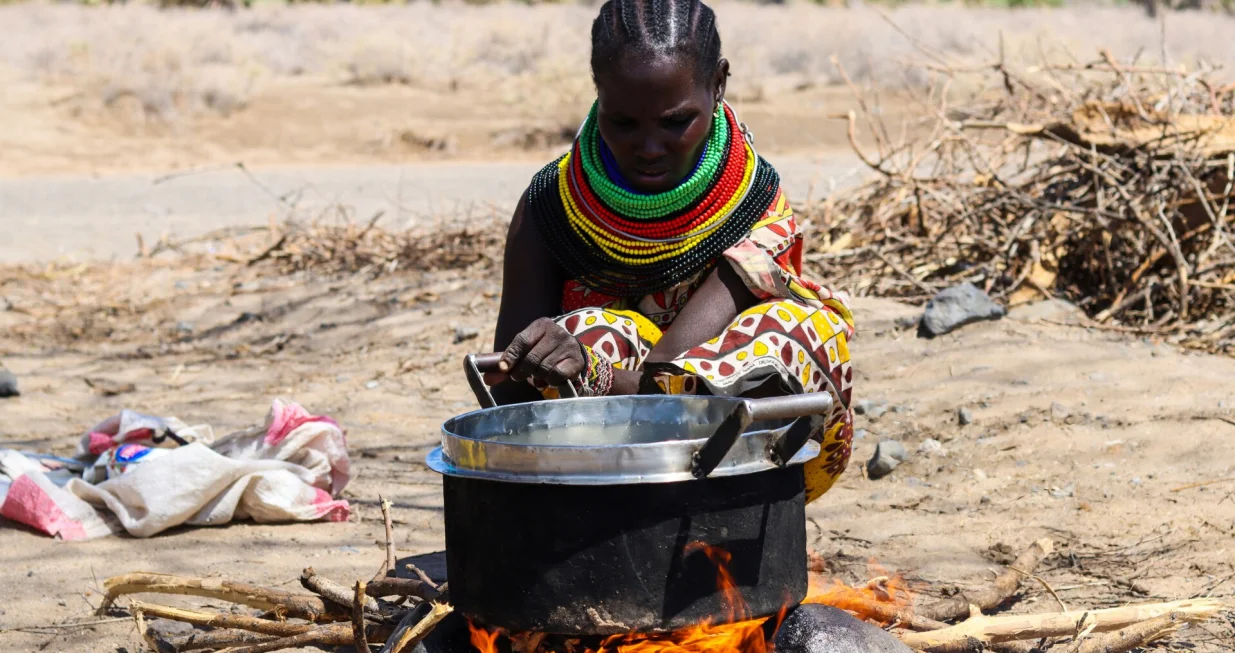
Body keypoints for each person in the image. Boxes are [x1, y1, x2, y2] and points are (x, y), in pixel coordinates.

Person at [487, 0, 855, 503]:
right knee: (585, 331)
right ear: (597, 91)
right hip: (600, 475)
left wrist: (594, 375)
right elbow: (507, 398)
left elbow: (668, 375)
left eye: (676, 121)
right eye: (623, 123)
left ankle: (737, 518)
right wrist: (547, 358)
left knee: (796, 333)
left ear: (718, 83)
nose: (650, 147)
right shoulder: (552, 207)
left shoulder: (750, 202)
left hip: (729, 461)